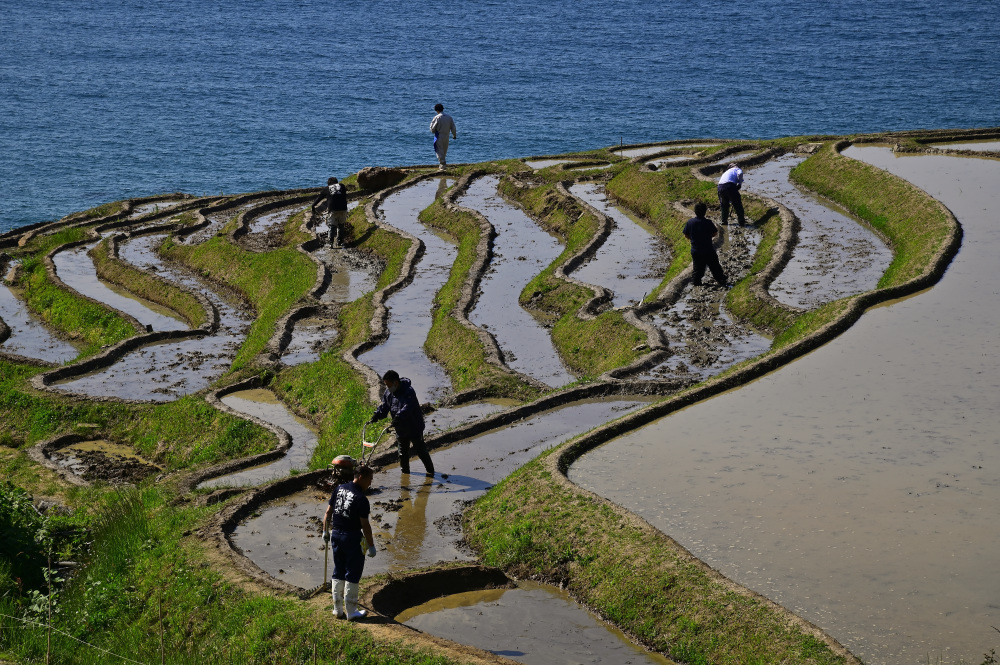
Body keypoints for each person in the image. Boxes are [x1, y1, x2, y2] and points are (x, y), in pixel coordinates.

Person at [322, 464, 376, 621]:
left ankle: (337, 609)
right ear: (360, 477)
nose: (370, 483)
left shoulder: (339, 488)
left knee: (338, 570)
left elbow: (328, 512)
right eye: (370, 479)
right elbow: (365, 525)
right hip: (352, 538)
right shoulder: (361, 499)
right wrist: (371, 546)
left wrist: (325, 531)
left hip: (336, 535)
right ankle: (351, 611)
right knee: (353, 572)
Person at [369, 370, 435, 476]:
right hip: (400, 429)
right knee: (402, 453)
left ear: (395, 382)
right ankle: (405, 475)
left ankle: (430, 472)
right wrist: (377, 415)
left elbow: (408, 407)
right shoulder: (388, 393)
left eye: (388, 385)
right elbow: (385, 406)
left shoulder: (408, 391)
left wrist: (398, 418)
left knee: (421, 451)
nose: (387, 387)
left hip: (414, 426)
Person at [683, 201, 730, 288]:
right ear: (705, 212)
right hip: (708, 249)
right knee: (714, 266)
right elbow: (715, 233)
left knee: (697, 267)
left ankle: (696, 282)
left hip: (696, 250)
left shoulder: (690, 222)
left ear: (695, 211)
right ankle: (721, 279)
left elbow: (686, 234)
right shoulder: (708, 222)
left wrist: (693, 239)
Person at [311, 177, 349, 246]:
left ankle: (330, 243)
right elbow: (344, 195)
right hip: (343, 208)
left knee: (332, 226)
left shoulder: (326, 189)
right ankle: (339, 242)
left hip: (333, 209)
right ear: (337, 182)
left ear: (328, 183)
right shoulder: (342, 186)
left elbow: (319, 199)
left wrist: (313, 206)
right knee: (341, 225)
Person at [429, 103, 457, 169]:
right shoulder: (449, 117)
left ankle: (442, 165)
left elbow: (432, 128)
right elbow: (453, 127)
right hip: (447, 136)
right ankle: (442, 165)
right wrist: (454, 135)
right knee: (444, 151)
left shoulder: (437, 117)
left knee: (439, 150)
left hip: (439, 135)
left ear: (436, 110)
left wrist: (433, 131)